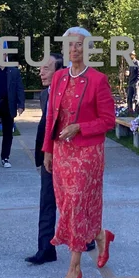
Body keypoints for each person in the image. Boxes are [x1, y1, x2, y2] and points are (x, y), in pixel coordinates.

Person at [43, 27, 117, 278]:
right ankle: (100, 235)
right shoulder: (59, 78)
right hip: (62, 151)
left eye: (79, 46)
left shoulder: (98, 80)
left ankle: (74, 267)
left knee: (76, 202)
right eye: (70, 46)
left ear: (88, 49)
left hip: (88, 151)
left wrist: (80, 128)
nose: (74, 50)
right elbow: (51, 118)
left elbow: (108, 120)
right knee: (68, 204)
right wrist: (48, 150)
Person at [27, 52, 95, 265]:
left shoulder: (72, 93)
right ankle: (45, 249)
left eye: (46, 68)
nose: (41, 72)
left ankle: (87, 236)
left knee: (73, 202)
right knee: (47, 201)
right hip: (50, 155)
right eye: (41, 68)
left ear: (59, 72)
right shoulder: (45, 94)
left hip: (72, 156)